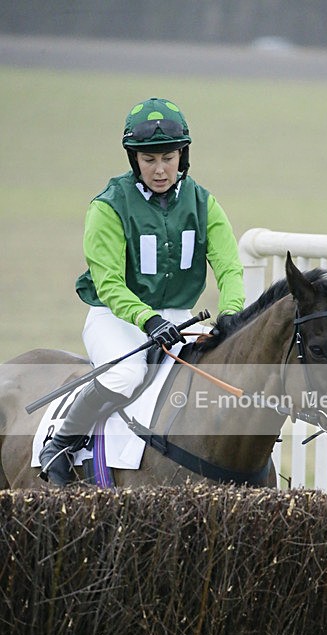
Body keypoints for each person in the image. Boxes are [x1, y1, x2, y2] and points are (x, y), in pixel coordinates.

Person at [39, 97, 245, 485]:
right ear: (134, 159)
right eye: (149, 160)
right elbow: (110, 285)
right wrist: (148, 319)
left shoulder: (204, 204)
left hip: (180, 318)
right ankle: (61, 442)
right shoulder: (108, 206)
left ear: (182, 156)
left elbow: (230, 268)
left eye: (168, 158)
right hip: (115, 317)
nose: (160, 169)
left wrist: (231, 313)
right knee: (127, 376)